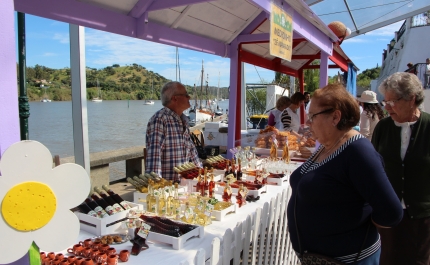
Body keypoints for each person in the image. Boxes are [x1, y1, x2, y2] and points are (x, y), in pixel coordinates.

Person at [287, 83, 403, 264]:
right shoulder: (328, 145)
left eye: (312, 117)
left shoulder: (358, 151)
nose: (308, 123)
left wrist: (351, 226)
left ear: (335, 116)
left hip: (350, 260)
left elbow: (391, 213)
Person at [372, 72, 430, 265]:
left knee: (418, 261)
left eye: (392, 102)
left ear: (411, 99)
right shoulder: (383, 127)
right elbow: (374, 166)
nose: (387, 107)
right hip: (388, 213)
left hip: (422, 216)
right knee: (387, 260)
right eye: (385, 102)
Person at [145, 81, 202, 181]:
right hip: (169, 188)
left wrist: (201, 172)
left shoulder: (183, 119)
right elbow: (154, 157)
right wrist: (157, 188)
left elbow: (191, 150)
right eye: (185, 95)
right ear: (175, 98)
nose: (189, 97)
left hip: (184, 184)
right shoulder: (160, 120)